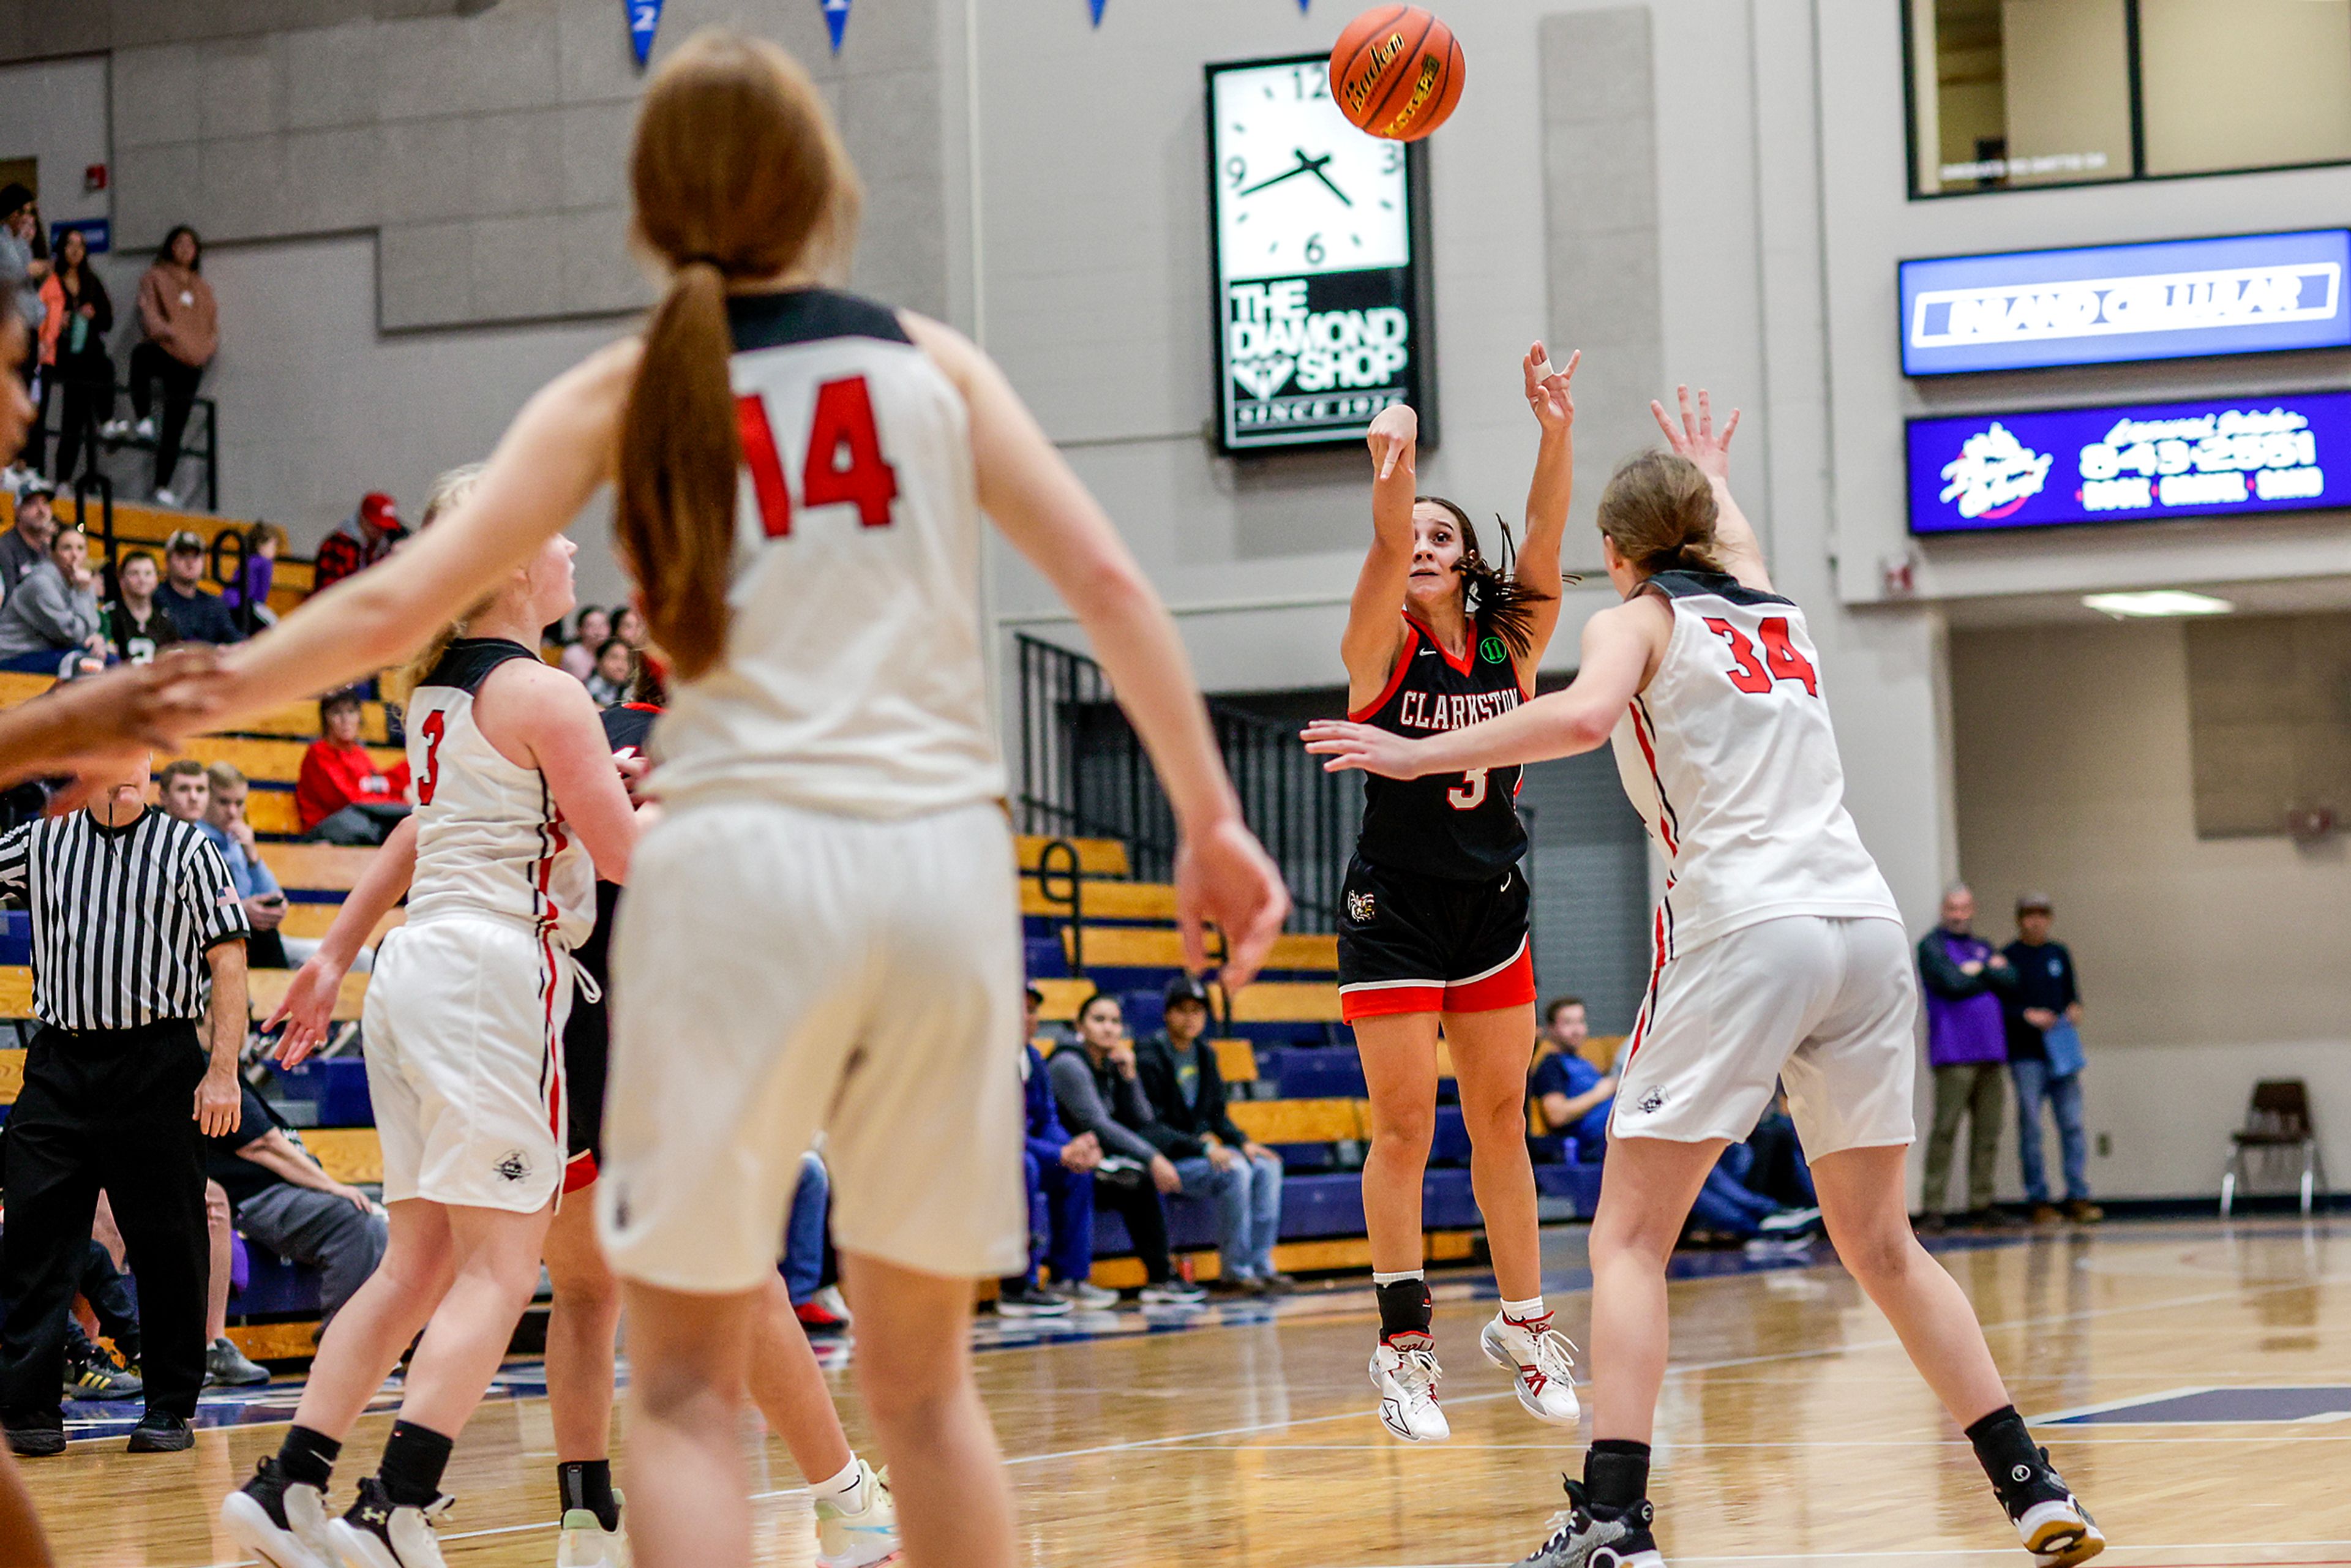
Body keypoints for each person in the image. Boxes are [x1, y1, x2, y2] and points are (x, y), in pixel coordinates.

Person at [17, 34, 1289, 1568]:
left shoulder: (628, 385)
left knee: (681, 1384)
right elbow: (1103, 579)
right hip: (930, 860)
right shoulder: (927, 362)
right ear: (825, 185)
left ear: (646, 202)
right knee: (926, 1383)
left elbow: (382, 609)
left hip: (740, 872)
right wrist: (1210, 819)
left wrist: (173, 690)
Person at [1305, 386, 2105, 1568]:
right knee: (1884, 1245)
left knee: (1629, 1242)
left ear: (1619, 558)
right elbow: (1738, 548)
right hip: (1867, 928)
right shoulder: (1780, 615)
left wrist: (1420, 752)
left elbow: (1578, 723)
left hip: (1748, 923)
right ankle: (2031, 1485)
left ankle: (1617, 1522)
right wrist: (1712, 468)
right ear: (1705, 530)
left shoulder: (1633, 620)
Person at [219, 468, 650, 1568]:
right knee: (503, 1270)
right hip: (492, 978)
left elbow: (478, 820)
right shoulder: (549, 697)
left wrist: (337, 954)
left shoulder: (441, 694)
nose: (568, 549)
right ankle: (397, 1504)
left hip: (416, 971)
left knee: (412, 1264)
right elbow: (623, 858)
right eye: (552, 534)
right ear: (509, 562)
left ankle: (284, 1489)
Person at [1332, 346, 1584, 1443]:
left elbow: (1550, 542)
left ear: (1470, 561)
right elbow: (1389, 537)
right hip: (1394, 908)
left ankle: (1524, 1328)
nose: (1425, 546)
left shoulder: (1511, 640)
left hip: (1491, 905)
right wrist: (1395, 458)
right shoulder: (1378, 646)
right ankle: (1404, 1349)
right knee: (1403, 1128)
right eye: (1415, 537)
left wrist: (1555, 428)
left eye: (1445, 536)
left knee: (1498, 1122)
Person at [0, 747, 247, 1457]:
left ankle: (170, 1403)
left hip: (157, 1060)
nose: (126, 762)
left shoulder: (189, 847)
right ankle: (29, 1408)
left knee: (170, 1241)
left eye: (137, 749)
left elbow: (227, 958)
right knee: (37, 1238)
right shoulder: (42, 841)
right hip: (60, 1061)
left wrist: (222, 1069)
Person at [1046, 994, 1209, 1307]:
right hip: (1066, 1161)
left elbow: (1143, 1120)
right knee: (1140, 1178)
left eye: (1115, 1021)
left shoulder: (1111, 1063)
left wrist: (1131, 1077)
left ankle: (1161, 1279)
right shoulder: (1069, 1064)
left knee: (1138, 1179)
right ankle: (1160, 1277)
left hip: (1097, 1161)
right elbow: (1098, 1124)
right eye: (1099, 1020)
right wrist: (1155, 1157)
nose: (1109, 1028)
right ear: (1080, 1026)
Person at [1134, 974, 1289, 1294]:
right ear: (1167, 1013)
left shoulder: (1205, 1055)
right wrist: (1203, 1148)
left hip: (1201, 1155)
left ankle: (1261, 1264)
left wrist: (1244, 1142)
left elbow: (1218, 1116)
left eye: (1197, 1011)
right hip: (1170, 1160)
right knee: (1236, 1171)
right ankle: (1235, 1271)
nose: (1190, 1018)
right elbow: (1151, 1127)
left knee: (1268, 1165)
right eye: (1183, 1010)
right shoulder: (1149, 1054)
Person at [206, 1084, 388, 1330]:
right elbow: (262, 1145)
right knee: (355, 1220)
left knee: (384, 1222)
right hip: (256, 1198)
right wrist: (331, 1186)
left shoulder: (240, 1079)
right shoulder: (207, 1071)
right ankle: (344, 1343)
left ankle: (380, 1340)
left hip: (293, 1193)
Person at [1917, 885, 2015, 1231]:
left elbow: (2011, 980)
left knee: (1988, 1132)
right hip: (1954, 1053)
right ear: (1944, 910)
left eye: (1964, 909)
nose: (1958, 915)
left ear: (1972, 910)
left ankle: (1981, 1203)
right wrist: (1989, 971)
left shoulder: (1982, 946)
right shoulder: (1932, 947)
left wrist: (1980, 969)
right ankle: (1933, 1208)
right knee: (1945, 1130)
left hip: (1992, 1051)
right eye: (1952, 909)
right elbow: (1951, 983)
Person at [997, 985, 1100, 1316]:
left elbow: (1047, 1120)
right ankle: (1016, 1286)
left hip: (1029, 1149)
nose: (1028, 1018)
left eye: (1032, 1010)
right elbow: (1000, 1134)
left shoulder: (1034, 1058)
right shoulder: (983, 1061)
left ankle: (1068, 1277)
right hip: (984, 1156)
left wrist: (1071, 1147)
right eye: (1019, 1008)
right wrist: (1057, 1153)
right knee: (1024, 1166)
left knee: (1078, 1170)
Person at [2001, 893, 2100, 1226]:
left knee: (2072, 1124)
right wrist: (2027, 1016)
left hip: (2062, 1051)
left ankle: (2078, 1195)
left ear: (2050, 918)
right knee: (2031, 1126)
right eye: (2029, 914)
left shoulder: (2059, 953)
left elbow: (2072, 996)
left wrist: (2075, 1010)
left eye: (2042, 914)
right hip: (2027, 1054)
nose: (2036, 921)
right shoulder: (2008, 958)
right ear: (2019, 919)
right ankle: (2038, 1199)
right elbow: (2001, 1008)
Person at [126, 225, 216, 508]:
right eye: (179, 243)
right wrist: (172, 335)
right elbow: (150, 314)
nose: (185, 249)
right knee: (141, 357)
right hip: (166, 350)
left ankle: (162, 485)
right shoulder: (155, 277)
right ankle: (143, 419)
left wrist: (201, 349)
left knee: (175, 426)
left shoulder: (202, 288)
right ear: (170, 246)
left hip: (191, 363)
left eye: (191, 244)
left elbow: (211, 329)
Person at [295, 689, 411, 845]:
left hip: (358, 828)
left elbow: (377, 787)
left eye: (351, 712)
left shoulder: (358, 753)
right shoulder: (318, 754)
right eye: (336, 713)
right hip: (325, 832)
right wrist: (399, 802)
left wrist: (402, 791)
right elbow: (350, 799)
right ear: (326, 718)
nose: (345, 720)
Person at [42, 228, 111, 486]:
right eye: (70, 244)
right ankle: (61, 476)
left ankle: (106, 420)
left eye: (80, 245)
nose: (75, 250)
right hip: (57, 351)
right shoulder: (51, 280)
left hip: (86, 354)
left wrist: (92, 314)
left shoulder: (91, 281)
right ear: (61, 249)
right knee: (69, 416)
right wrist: (60, 320)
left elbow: (108, 320)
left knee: (78, 416)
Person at [0, 521, 103, 673]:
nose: (75, 555)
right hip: (14, 656)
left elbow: (92, 626)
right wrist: (82, 593)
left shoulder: (81, 581)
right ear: (53, 554)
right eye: (67, 548)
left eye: (80, 548)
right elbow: (69, 634)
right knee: (87, 666)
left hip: (48, 652)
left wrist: (95, 638)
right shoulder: (41, 583)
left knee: (113, 663)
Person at [1529, 997, 1614, 1159]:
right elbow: (1557, 1115)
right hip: (1595, 1146)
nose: (1577, 1030)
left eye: (1581, 1022)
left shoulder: (1585, 1063)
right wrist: (1600, 1094)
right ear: (1551, 1028)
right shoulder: (1551, 1066)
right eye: (1568, 1023)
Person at [157, 530, 244, 645]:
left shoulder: (214, 605)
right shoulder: (154, 598)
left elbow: (236, 641)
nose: (190, 562)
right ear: (167, 561)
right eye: (183, 555)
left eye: (196, 556)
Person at [313, 493, 408, 594]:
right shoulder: (337, 547)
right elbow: (328, 592)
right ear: (363, 519)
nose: (381, 531)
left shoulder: (387, 546)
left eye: (386, 527)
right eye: (376, 525)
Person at [105, 549, 182, 665]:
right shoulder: (109, 615)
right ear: (121, 579)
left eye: (148, 573)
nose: (142, 580)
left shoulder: (165, 619)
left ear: (157, 579)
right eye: (134, 574)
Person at [222, 523, 286, 632]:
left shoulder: (247, 560)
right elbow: (260, 594)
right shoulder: (265, 563)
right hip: (246, 604)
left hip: (229, 602)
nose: (275, 551)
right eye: (274, 546)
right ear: (260, 545)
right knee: (275, 625)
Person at [0, 477, 56, 595]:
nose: (41, 510)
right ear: (18, 510)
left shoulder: (49, 549)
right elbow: (9, 599)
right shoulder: (4, 548)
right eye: (32, 504)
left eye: (45, 503)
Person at [560, 606, 610, 682]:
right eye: (591, 626)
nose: (598, 632)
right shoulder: (574, 654)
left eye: (602, 625)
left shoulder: (613, 650)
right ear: (580, 630)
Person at [583, 637, 633, 706]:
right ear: (599, 660)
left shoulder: (633, 696)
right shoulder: (584, 692)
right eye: (614, 658)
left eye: (627, 659)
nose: (621, 666)